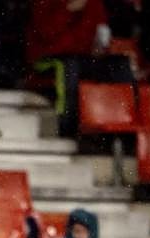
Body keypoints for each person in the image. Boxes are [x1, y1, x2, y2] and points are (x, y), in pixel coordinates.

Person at [27, 0, 132, 136]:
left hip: (84, 56)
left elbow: (101, 30)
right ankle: (66, 127)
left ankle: (124, 127)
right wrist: (68, 10)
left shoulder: (94, 3)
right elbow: (45, 32)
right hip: (49, 56)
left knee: (119, 64)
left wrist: (100, 45)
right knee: (68, 66)